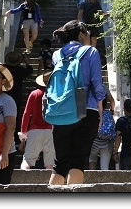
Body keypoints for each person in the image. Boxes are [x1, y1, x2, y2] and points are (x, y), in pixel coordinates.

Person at [47, 20, 106, 186]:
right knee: (77, 161)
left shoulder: (57, 55)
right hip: (86, 111)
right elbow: (97, 85)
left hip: (61, 111)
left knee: (60, 163)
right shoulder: (91, 52)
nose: (89, 36)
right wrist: (100, 111)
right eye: (87, 33)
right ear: (81, 34)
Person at [19, 70, 55, 170]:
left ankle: (23, 182)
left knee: (27, 160)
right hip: (50, 130)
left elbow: (26, 114)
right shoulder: (55, 95)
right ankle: (50, 184)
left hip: (34, 131)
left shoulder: (34, 94)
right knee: (50, 162)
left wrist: (23, 133)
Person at [3, 50, 34, 141]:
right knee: (15, 116)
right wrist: (26, 62)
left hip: (5, 94)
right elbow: (30, 70)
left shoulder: (5, 69)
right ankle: (15, 137)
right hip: (16, 96)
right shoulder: (20, 70)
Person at [89, 98, 117, 170]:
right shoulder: (109, 114)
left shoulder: (94, 114)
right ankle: (104, 180)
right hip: (107, 143)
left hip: (94, 142)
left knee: (92, 160)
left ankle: (92, 179)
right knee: (104, 167)